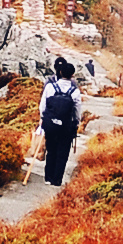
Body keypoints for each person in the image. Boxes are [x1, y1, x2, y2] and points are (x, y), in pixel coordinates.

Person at [34, 55, 83, 187]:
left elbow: (42, 105)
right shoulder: (75, 91)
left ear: (60, 72)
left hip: (50, 124)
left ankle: (48, 177)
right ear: (72, 75)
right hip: (66, 126)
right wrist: (77, 122)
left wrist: (43, 118)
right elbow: (77, 109)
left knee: (51, 149)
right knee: (62, 152)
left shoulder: (51, 87)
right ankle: (57, 180)